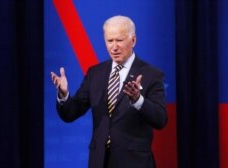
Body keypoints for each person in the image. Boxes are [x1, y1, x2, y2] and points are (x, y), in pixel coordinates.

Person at [51, 15, 167, 168]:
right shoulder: (95, 73)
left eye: (119, 40)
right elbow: (70, 113)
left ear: (133, 41)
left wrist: (138, 100)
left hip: (134, 162)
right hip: (100, 161)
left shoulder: (151, 75)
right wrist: (64, 94)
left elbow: (160, 119)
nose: (114, 47)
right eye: (109, 41)